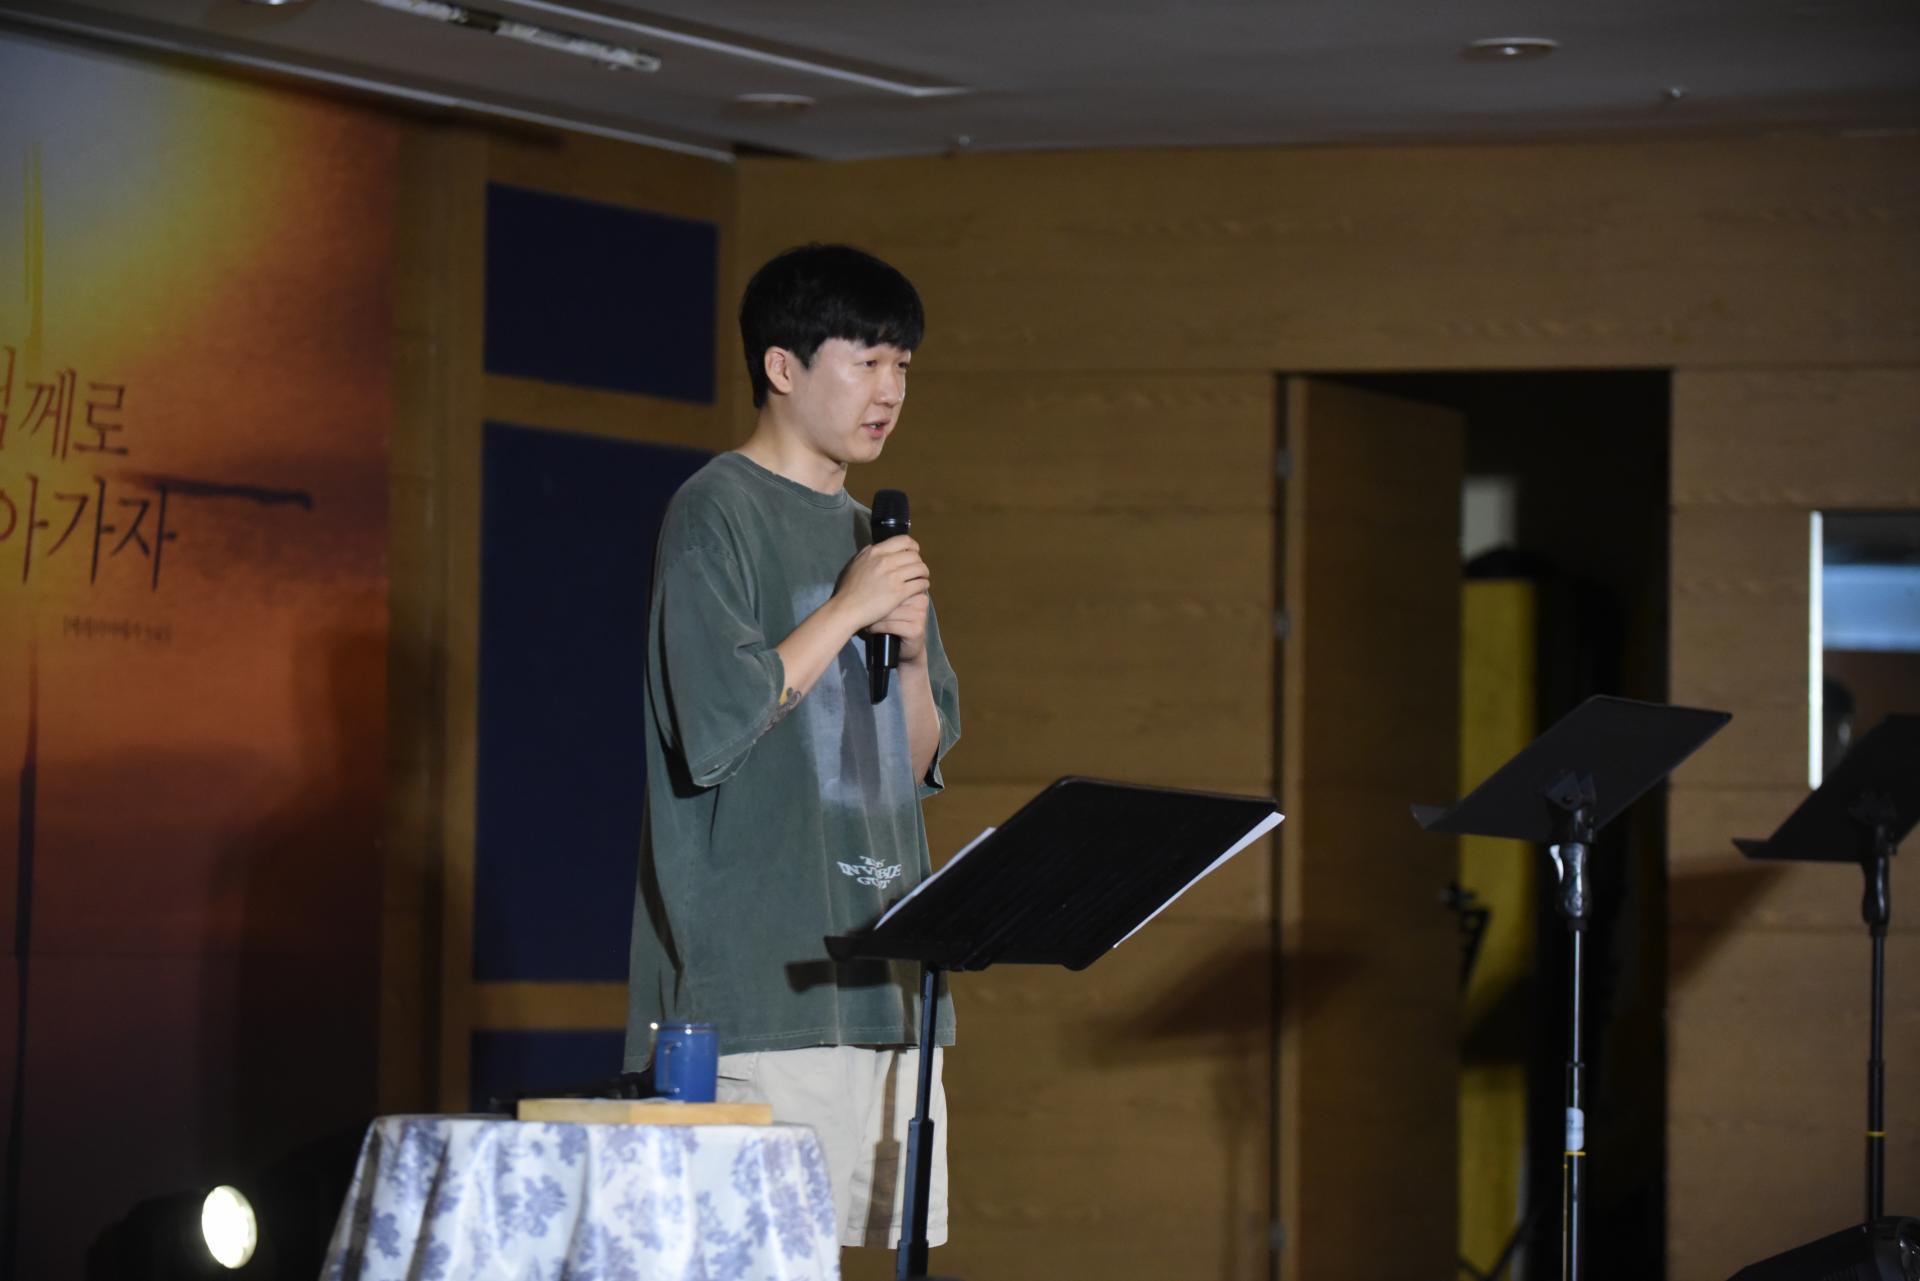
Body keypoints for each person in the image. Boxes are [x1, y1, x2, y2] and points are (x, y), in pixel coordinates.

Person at [624, 243, 961, 1251]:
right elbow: (716, 727)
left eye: (903, 365)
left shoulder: (874, 536)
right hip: (759, 994)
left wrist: (908, 656)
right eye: (867, 361)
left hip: (883, 993)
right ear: (783, 366)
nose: (890, 391)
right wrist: (847, 609)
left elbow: (913, 765)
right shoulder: (714, 511)